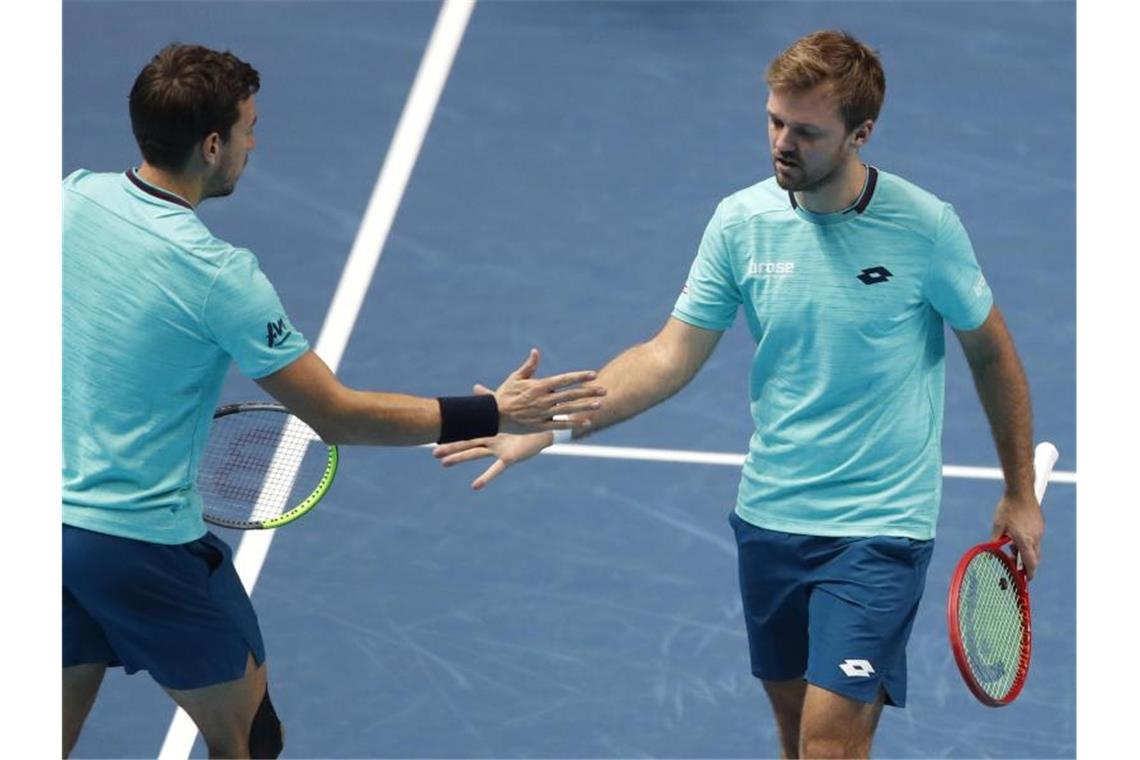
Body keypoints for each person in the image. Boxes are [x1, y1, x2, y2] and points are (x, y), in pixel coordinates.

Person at [433, 29, 1045, 759]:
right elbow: (667, 355)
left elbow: (991, 352)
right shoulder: (742, 223)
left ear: (860, 134)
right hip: (772, 519)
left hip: (880, 528)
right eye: (774, 121)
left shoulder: (924, 229)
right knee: (796, 736)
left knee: (827, 744)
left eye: (807, 131)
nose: (783, 143)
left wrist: (1018, 491)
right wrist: (554, 423)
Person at [62, 43, 606, 759]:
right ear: (213, 143)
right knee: (248, 740)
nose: (255, 143)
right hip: (138, 544)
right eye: (248, 128)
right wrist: (494, 413)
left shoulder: (65, 198)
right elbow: (336, 413)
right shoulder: (217, 275)